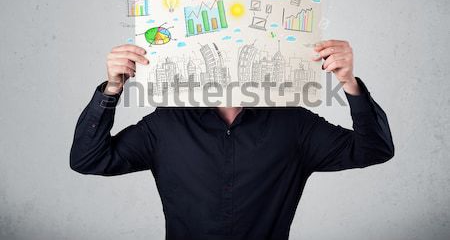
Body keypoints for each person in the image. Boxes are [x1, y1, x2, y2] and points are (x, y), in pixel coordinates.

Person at [70, 40, 394, 240]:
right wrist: (112, 89)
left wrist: (349, 83)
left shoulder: (293, 122)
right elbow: (89, 159)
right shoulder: (168, 122)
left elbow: (374, 150)